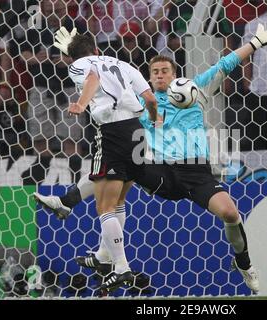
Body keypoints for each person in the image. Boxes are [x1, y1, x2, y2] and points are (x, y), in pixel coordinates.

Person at [35, 22, 267, 293]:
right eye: (155, 72)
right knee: (114, 164)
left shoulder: (196, 90)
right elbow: (108, 83)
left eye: (165, 71)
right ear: (150, 78)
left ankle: (244, 263)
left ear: (175, 74)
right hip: (159, 172)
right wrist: (78, 54)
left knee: (230, 213)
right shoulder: (141, 103)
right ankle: (80, 217)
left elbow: (226, 63)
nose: (160, 75)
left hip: (196, 172)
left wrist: (256, 43)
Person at [57, 29, 160, 292]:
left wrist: (81, 103)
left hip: (112, 132)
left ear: (72, 58)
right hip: (137, 131)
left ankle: (121, 266)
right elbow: (149, 98)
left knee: (105, 207)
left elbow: (91, 76)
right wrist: (155, 119)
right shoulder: (123, 64)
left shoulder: (79, 65)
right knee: (120, 201)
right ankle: (104, 257)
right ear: (97, 50)